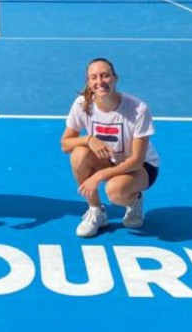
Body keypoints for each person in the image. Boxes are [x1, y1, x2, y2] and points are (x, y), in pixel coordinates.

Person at [60, 58, 160, 238]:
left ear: (115, 78)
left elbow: (137, 161)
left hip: (142, 167)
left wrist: (99, 176)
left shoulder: (138, 109)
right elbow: (65, 144)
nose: (100, 82)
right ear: (88, 82)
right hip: (109, 160)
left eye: (105, 76)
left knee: (114, 191)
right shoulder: (82, 105)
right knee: (78, 154)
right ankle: (96, 211)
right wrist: (89, 139)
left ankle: (134, 200)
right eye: (94, 77)